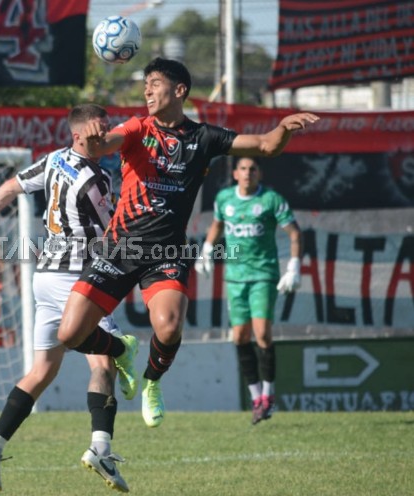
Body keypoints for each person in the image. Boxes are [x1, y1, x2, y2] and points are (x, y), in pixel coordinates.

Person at [56, 57, 319, 428]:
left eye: (155, 83)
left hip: (167, 252)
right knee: (69, 334)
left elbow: (265, 145)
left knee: (168, 325)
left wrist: (284, 128)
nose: (146, 90)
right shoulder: (137, 127)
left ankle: (151, 382)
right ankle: (121, 348)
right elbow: (106, 144)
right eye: (144, 84)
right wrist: (97, 139)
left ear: (179, 90)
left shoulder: (205, 138)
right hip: (120, 248)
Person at [0, 104, 134, 492]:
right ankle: (101, 447)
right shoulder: (96, 178)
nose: (105, 138)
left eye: (107, 130)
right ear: (79, 134)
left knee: (42, 371)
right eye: (99, 132)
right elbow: (110, 235)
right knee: (104, 363)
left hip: (44, 278)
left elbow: (8, 189)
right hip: (75, 281)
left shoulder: (53, 160)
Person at [196, 157, 302, 424]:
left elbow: (294, 233)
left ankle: (269, 395)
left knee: (262, 333)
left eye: (252, 169)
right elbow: (218, 225)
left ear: (259, 174)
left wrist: (294, 267)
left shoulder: (271, 200)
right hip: (235, 277)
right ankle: (256, 398)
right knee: (240, 336)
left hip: (263, 275)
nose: (247, 173)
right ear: (235, 173)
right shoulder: (224, 199)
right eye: (242, 169)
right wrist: (207, 250)